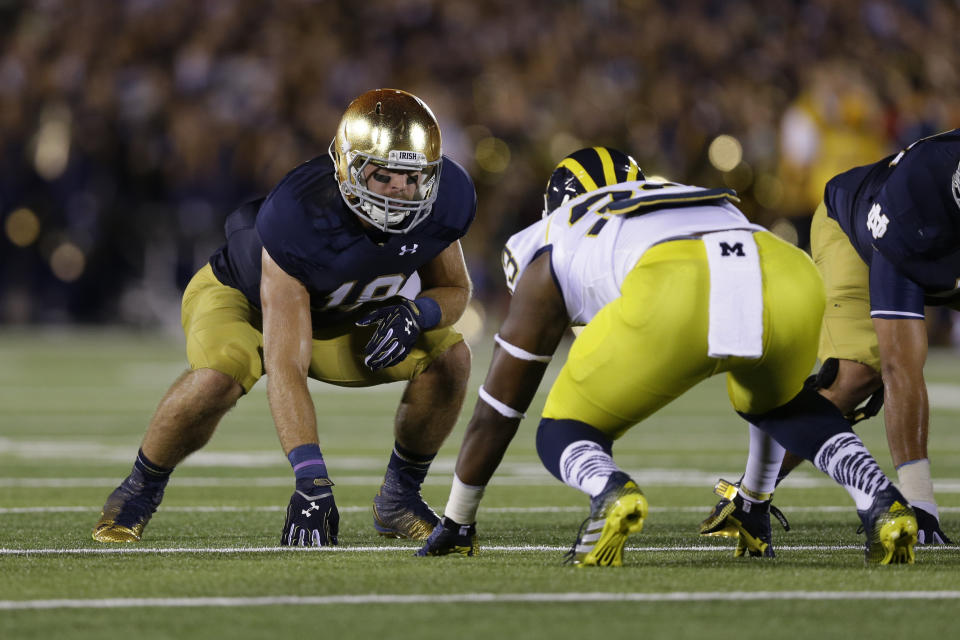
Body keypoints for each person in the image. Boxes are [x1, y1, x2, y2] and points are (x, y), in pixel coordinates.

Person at [417, 146, 918, 565]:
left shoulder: (552, 237)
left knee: (562, 429)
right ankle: (879, 498)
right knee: (777, 403)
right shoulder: (674, 194)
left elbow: (500, 408)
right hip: (785, 270)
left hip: (675, 281)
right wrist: (755, 501)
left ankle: (609, 489)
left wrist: (458, 518)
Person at [92, 88, 476, 546]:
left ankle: (399, 499)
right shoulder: (298, 214)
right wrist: (311, 482)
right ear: (348, 167)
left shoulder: (445, 199)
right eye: (384, 175)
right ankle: (138, 490)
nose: (400, 190)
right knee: (220, 376)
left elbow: (455, 289)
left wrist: (419, 311)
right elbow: (287, 368)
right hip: (244, 299)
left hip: (341, 312)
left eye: (411, 177)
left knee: (451, 358)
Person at [730, 129, 959, 545]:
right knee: (858, 374)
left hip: (937, 239)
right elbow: (898, 364)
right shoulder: (914, 203)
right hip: (860, 235)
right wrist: (919, 501)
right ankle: (748, 493)